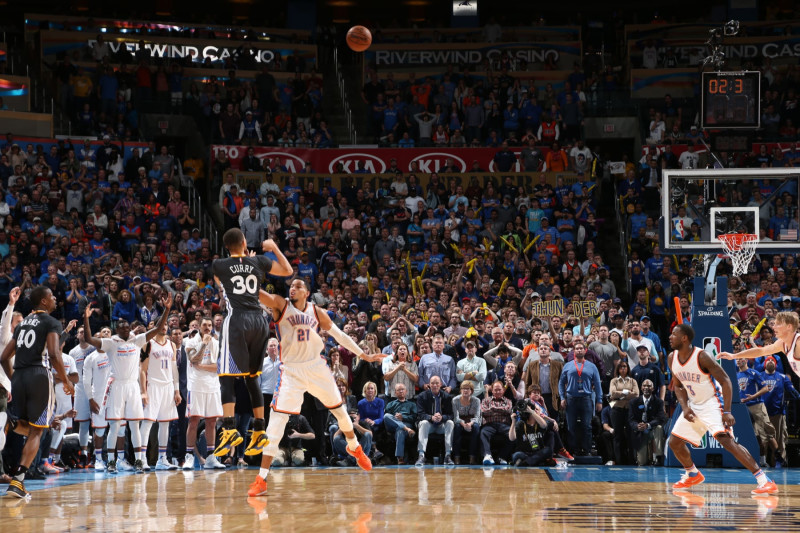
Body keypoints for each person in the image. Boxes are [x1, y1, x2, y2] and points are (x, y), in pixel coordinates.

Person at [250, 276, 384, 497]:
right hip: (291, 371)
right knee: (275, 427)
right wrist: (247, 270)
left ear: (307, 292)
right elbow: (258, 294)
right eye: (291, 285)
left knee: (340, 412)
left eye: (298, 286)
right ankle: (261, 479)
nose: (293, 288)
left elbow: (339, 335)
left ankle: (353, 445)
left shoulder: (317, 312)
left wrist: (364, 355)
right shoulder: (281, 305)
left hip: (315, 367)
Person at [210, 232, 292, 464]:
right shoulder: (258, 262)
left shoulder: (219, 264)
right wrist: (272, 248)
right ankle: (259, 431)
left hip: (237, 321)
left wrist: (243, 260)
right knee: (252, 377)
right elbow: (287, 271)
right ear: (245, 244)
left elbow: (221, 281)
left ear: (226, 246)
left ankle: (228, 430)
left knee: (226, 376)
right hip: (260, 322)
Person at [670, 324, 777, 494]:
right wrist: (685, 407)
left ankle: (764, 480)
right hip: (694, 406)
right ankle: (692, 474)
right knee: (674, 442)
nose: (670, 337)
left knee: (726, 441)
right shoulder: (672, 358)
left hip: (713, 403)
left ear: (684, 338)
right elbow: (678, 386)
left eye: (674, 334)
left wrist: (727, 411)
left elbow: (726, 381)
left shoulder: (702, 356)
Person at [83, 291, 173, 474]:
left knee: (134, 425)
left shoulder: (137, 340)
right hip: (116, 385)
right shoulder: (110, 342)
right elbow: (89, 339)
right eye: (122, 326)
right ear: (117, 329)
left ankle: (139, 461)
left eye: (127, 326)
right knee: (115, 425)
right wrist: (86, 319)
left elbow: (156, 329)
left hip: (132, 386)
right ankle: (111, 462)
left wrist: (167, 310)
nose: (125, 329)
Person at [1, 286, 74, 499]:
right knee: (38, 430)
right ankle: (18, 482)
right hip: (39, 377)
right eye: (51, 296)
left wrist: (13, 378)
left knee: (26, 427)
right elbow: (53, 353)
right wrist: (67, 380)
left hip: (20, 376)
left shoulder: (22, 324)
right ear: (43, 301)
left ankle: (10, 424)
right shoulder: (51, 322)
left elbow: (4, 356)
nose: (54, 300)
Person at [183, 318, 225, 470]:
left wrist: (200, 366)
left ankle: (211, 457)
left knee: (212, 422)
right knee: (193, 421)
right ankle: (188, 456)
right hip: (195, 385)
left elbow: (217, 367)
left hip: (213, 385)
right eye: (205, 325)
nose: (208, 328)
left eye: (210, 325)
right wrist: (204, 344)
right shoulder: (191, 342)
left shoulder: (216, 342)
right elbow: (194, 359)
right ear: (199, 327)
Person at [139, 321, 182, 471]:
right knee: (148, 422)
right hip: (153, 385)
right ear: (154, 328)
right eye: (161, 325)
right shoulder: (148, 344)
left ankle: (162, 459)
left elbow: (174, 369)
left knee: (165, 423)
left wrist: (176, 390)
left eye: (166, 325)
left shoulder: (172, 345)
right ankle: (142, 459)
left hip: (168, 386)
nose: (164, 327)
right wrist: (143, 391)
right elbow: (142, 370)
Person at [558, 341, 603, 456]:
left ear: (585, 351)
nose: (578, 350)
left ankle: (586, 450)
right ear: (573, 351)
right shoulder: (568, 365)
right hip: (571, 399)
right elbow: (561, 383)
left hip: (586, 399)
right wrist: (562, 398)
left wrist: (599, 400)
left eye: (580, 349)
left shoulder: (592, 366)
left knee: (587, 426)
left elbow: (597, 384)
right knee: (571, 426)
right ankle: (573, 451)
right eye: (576, 349)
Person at [735, 357, 778, 467]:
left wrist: (753, 396)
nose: (738, 361)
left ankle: (779, 459)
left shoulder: (754, 373)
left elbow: (765, 388)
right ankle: (761, 461)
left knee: (768, 434)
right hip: (744, 407)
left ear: (746, 360)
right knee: (755, 435)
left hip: (757, 405)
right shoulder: (735, 375)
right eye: (737, 359)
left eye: (740, 359)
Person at [759, 355, 799, 467]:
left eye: (773, 360)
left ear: (776, 364)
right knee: (763, 440)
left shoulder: (782, 377)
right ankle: (762, 462)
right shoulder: (760, 376)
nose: (771, 361)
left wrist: (796, 393)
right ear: (764, 364)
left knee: (780, 440)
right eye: (768, 360)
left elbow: (792, 390)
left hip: (778, 413)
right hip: (762, 414)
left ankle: (779, 463)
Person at [414, 375, 455, 466]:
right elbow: (420, 414)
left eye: (437, 383)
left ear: (440, 384)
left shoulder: (447, 397)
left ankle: (448, 455)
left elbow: (451, 415)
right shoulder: (422, 396)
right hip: (429, 425)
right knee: (423, 423)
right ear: (429, 384)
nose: (435, 385)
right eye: (432, 383)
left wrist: (442, 417)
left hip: (442, 425)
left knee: (450, 423)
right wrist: (431, 417)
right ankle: (421, 455)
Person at [627, 379, 666, 466]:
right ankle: (648, 457)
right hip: (640, 432)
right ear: (641, 388)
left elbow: (661, 418)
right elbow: (631, 420)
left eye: (649, 386)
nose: (646, 388)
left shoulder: (659, 402)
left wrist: (648, 425)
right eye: (644, 385)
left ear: (653, 388)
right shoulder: (633, 402)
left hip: (652, 430)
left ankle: (658, 457)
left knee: (659, 428)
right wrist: (637, 426)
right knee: (642, 462)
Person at [608, 360, 639, 465]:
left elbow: (636, 394)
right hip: (617, 410)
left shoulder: (632, 381)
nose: (623, 369)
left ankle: (631, 459)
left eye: (625, 367)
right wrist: (627, 393)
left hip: (629, 410)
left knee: (631, 435)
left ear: (628, 368)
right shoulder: (614, 381)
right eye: (621, 367)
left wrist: (620, 395)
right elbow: (612, 393)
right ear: (618, 369)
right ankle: (619, 459)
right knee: (618, 435)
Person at [509, 400, 555, 467]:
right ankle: (536, 461)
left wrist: (532, 411)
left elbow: (544, 425)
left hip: (538, 452)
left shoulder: (540, 423)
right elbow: (512, 438)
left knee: (548, 450)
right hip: (524, 453)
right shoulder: (521, 423)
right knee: (516, 455)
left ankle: (526, 462)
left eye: (536, 409)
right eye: (533, 409)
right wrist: (513, 422)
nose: (534, 410)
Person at [480, 380, 513, 465]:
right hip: (489, 424)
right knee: (483, 432)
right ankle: (487, 455)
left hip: (504, 425)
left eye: (499, 389)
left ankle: (502, 457)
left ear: (503, 390)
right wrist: (501, 410)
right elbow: (484, 412)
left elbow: (508, 411)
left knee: (513, 435)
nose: (497, 391)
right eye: (495, 390)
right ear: (492, 390)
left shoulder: (508, 401)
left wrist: (492, 409)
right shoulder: (486, 400)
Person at [383, 383, 418, 464]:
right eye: (399, 390)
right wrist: (395, 418)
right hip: (392, 425)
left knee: (400, 430)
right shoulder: (390, 404)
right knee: (386, 416)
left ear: (406, 391)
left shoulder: (411, 404)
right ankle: (406, 429)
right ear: (395, 392)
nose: (401, 391)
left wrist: (403, 418)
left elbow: (414, 417)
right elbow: (387, 418)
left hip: (407, 423)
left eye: (402, 389)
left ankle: (400, 458)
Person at [451, 381, 482, 464]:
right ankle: (456, 457)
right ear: (460, 390)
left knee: (476, 427)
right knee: (457, 427)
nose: (465, 391)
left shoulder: (476, 400)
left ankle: (472, 457)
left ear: (471, 391)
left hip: (472, 421)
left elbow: (477, 417)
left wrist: (470, 423)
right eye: (463, 388)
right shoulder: (455, 400)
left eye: (467, 389)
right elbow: (455, 417)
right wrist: (463, 424)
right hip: (460, 422)